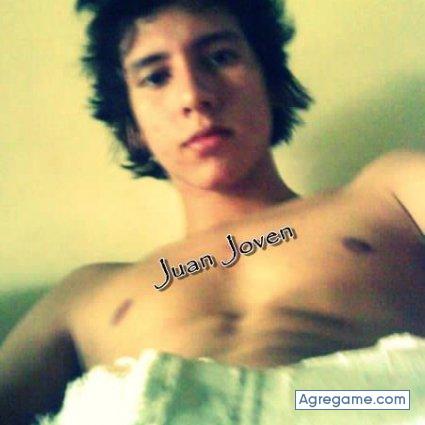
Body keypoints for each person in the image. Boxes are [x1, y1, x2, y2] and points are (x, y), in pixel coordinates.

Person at [1, 0, 424, 423]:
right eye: (156, 77)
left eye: (220, 57)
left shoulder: (389, 193)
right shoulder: (84, 295)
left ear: (271, 83)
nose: (194, 96)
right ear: (133, 127)